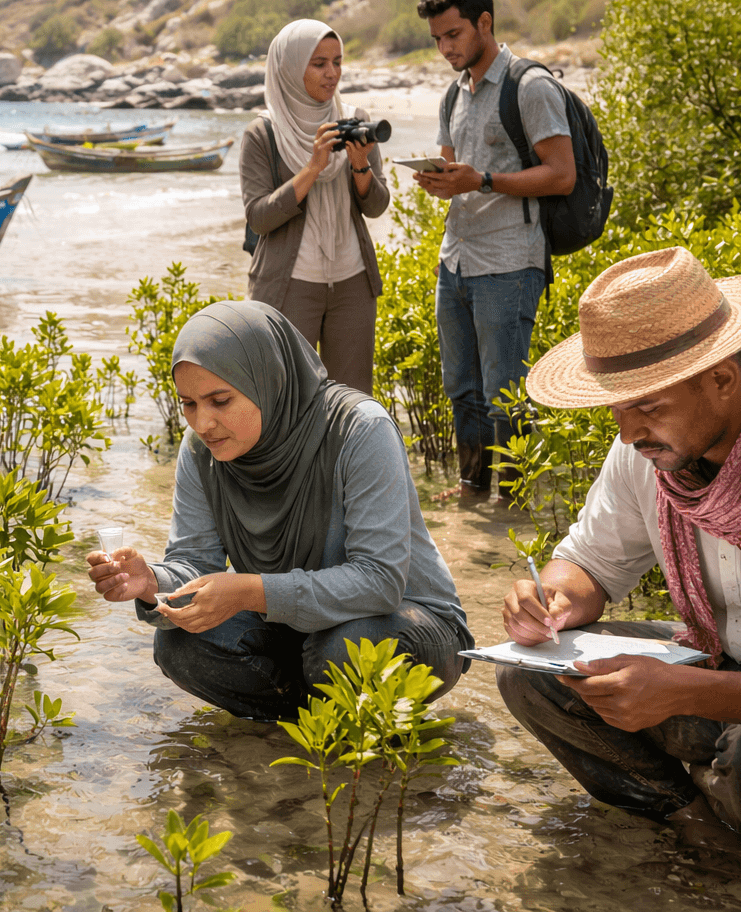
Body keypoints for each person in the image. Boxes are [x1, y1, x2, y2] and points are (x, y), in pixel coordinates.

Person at [496, 246, 741, 874]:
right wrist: (554, 601)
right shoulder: (651, 449)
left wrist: (680, 691)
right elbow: (589, 562)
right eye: (616, 407)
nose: (627, 431)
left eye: (646, 405)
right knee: (532, 675)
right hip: (728, 668)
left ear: (722, 378)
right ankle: (692, 814)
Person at [86, 300, 472, 722]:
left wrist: (251, 592)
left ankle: (342, 727)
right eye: (189, 404)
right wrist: (151, 581)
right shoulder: (202, 452)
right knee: (181, 644)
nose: (202, 423)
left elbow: (380, 582)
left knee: (347, 649)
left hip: (405, 621)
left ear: (268, 381)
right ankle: (304, 731)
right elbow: (195, 563)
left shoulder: (360, 430)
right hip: (298, 629)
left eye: (219, 400)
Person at [413, 0, 576, 500]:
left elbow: (562, 174)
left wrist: (481, 180)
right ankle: (471, 486)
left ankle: (513, 497)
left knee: (503, 394)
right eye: (437, 38)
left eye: (453, 35)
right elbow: (455, 169)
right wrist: (440, 180)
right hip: (456, 258)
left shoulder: (530, 87)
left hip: (509, 260)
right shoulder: (452, 94)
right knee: (462, 390)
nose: (444, 47)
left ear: (485, 23)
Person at [241, 19, 390, 394]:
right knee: (289, 400)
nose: (332, 74)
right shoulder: (263, 132)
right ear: (290, 68)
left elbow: (377, 205)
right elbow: (259, 218)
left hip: (353, 281)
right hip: (289, 284)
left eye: (338, 61)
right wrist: (312, 168)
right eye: (319, 63)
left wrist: (360, 165)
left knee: (352, 401)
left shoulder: (355, 119)